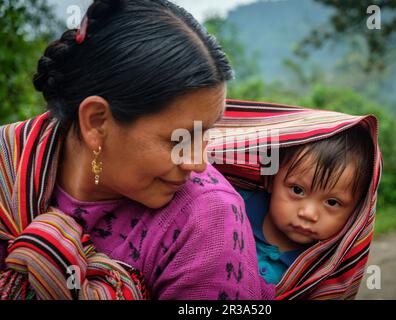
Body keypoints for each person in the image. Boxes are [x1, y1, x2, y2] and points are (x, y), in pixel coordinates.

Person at [0, 0, 274, 300]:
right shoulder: (7, 164)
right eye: (178, 140)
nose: (197, 162)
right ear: (96, 121)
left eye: (205, 132)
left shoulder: (206, 219)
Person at [210, 100, 382, 299]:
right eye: (297, 190)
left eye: (332, 202)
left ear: (356, 213)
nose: (308, 213)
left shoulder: (322, 270)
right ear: (270, 179)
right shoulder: (230, 206)